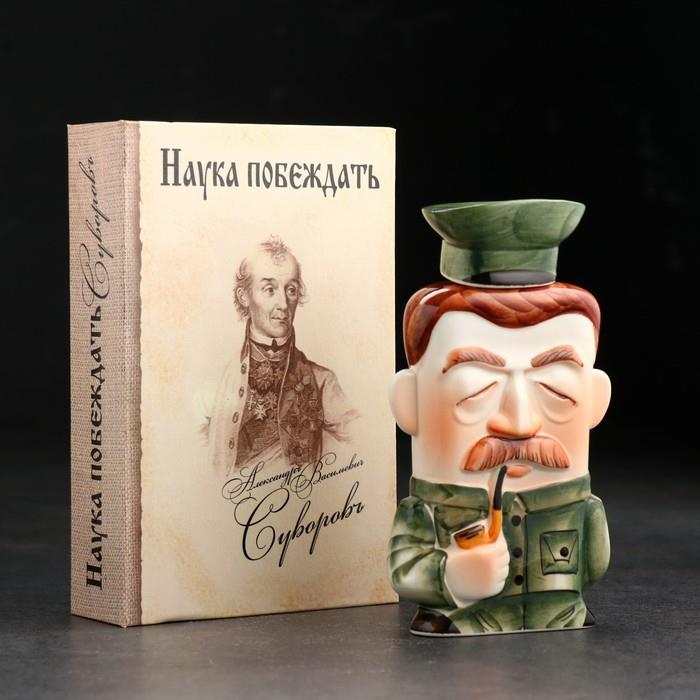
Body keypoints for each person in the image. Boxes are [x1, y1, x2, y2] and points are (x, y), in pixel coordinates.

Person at [388, 200, 612, 635]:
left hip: (560, 616)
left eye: (555, 390)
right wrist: (451, 576)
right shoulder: (426, 515)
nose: (520, 423)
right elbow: (404, 569)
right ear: (408, 403)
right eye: (477, 391)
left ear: (595, 400)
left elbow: (595, 565)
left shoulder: (581, 509)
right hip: (458, 621)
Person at [204, 236, 358, 476]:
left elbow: (364, 445)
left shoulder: (322, 381)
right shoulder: (220, 378)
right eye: (269, 290)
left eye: (291, 290)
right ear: (244, 296)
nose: (284, 304)